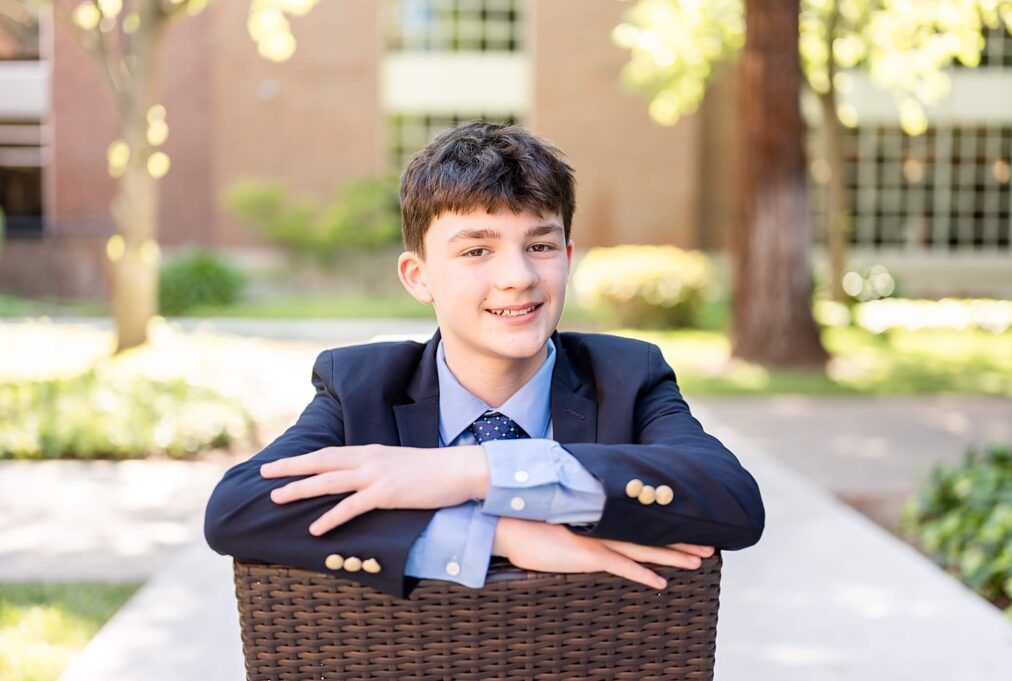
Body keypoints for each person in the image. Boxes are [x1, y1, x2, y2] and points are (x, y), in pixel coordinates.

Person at [204, 121, 765, 599]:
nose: (517, 277)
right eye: (477, 250)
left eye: (540, 246)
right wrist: (496, 532)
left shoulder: (626, 376)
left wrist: (470, 472)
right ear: (418, 276)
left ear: (567, 257)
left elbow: (732, 499)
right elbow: (239, 508)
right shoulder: (359, 387)